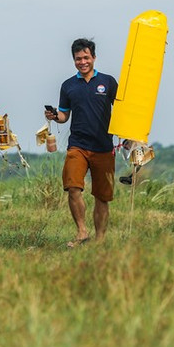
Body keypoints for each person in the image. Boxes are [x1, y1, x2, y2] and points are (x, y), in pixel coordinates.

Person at [45, 39, 118, 247]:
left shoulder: (108, 82)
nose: (83, 62)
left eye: (86, 57)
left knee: (102, 196)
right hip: (77, 145)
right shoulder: (68, 85)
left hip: (104, 146)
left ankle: (100, 240)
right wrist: (54, 116)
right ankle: (82, 232)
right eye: (78, 59)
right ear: (74, 60)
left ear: (94, 57)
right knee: (73, 187)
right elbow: (64, 116)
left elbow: (122, 110)